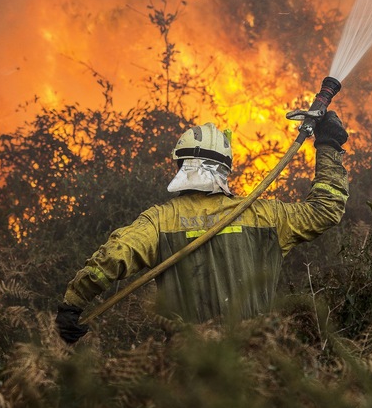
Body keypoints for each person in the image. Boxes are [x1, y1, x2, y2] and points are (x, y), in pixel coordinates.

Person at [55, 112, 349, 344]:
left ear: (181, 166)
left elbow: (111, 258)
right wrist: (328, 146)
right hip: (257, 363)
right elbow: (326, 208)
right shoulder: (264, 215)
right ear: (226, 167)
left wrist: (73, 304)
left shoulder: (160, 220)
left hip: (188, 369)